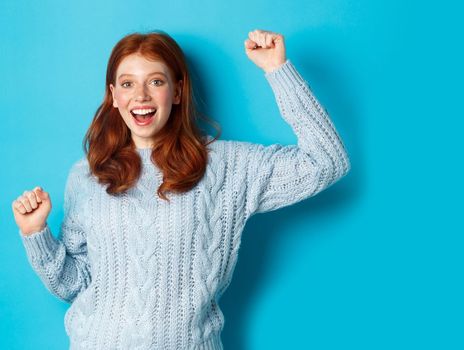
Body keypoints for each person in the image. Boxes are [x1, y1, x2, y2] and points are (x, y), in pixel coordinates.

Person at [11, 29, 350, 349]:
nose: (140, 96)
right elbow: (74, 284)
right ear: (114, 96)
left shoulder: (226, 166)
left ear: (177, 91)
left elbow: (327, 162)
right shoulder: (87, 175)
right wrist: (36, 233)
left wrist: (278, 70)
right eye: (128, 84)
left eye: (155, 82)